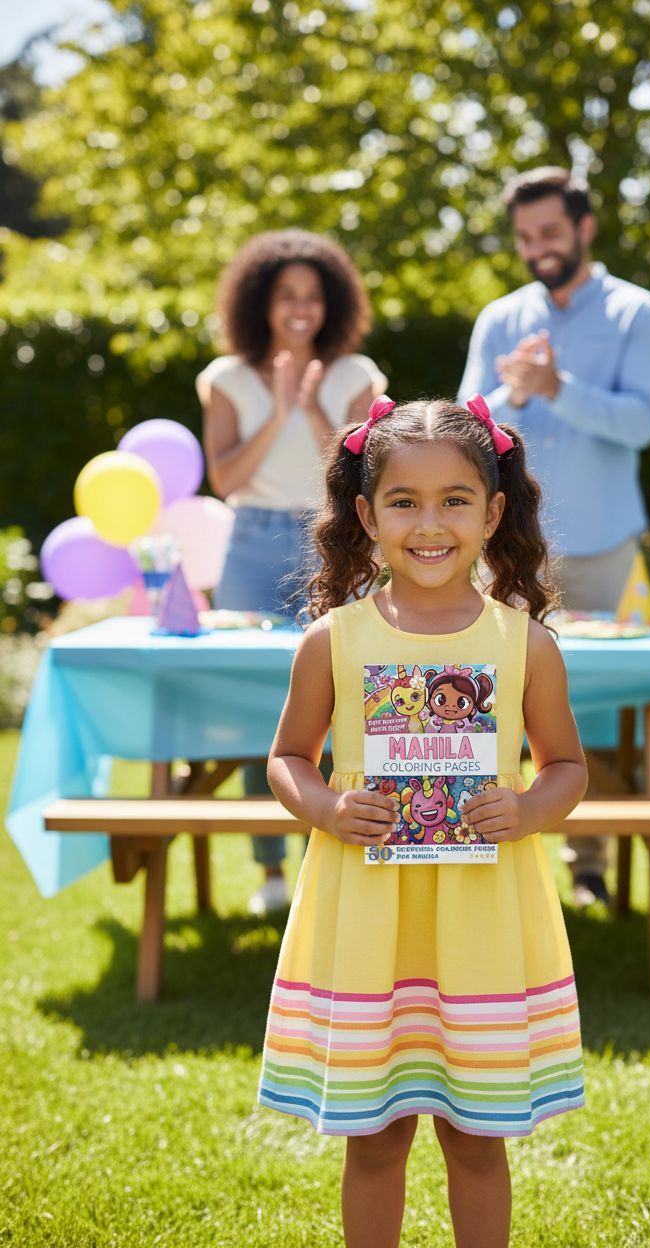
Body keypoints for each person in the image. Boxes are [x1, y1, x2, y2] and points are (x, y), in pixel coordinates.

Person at [258, 394, 588, 1248]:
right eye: (404, 501)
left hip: (481, 922)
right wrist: (328, 806)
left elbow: (567, 769)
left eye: (455, 500)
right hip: (370, 925)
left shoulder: (526, 645)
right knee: (375, 1138)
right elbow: (288, 757)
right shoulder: (333, 640)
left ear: (494, 513)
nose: (429, 523)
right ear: (366, 514)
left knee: (477, 1137)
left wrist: (524, 810)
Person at [459, 166, 650, 908]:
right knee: (489, 705)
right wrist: (511, 395)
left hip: (607, 546)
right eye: (524, 237)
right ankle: (483, 856)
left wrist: (560, 391)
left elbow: (643, 421)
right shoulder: (500, 318)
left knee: (606, 720)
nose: (537, 248)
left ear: (585, 228)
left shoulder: (636, 313)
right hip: (509, 550)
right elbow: (463, 421)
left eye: (549, 232)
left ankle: (590, 869)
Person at [198, 230, 386, 916]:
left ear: (332, 302)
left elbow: (355, 472)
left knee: (342, 702)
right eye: (286, 296)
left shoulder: (355, 374)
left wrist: (307, 407)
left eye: (312, 296)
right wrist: (276, 407)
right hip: (250, 542)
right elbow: (225, 479)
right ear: (261, 303)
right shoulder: (226, 379)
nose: (300, 308)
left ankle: (331, 861)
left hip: (329, 538)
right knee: (262, 711)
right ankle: (270, 873)